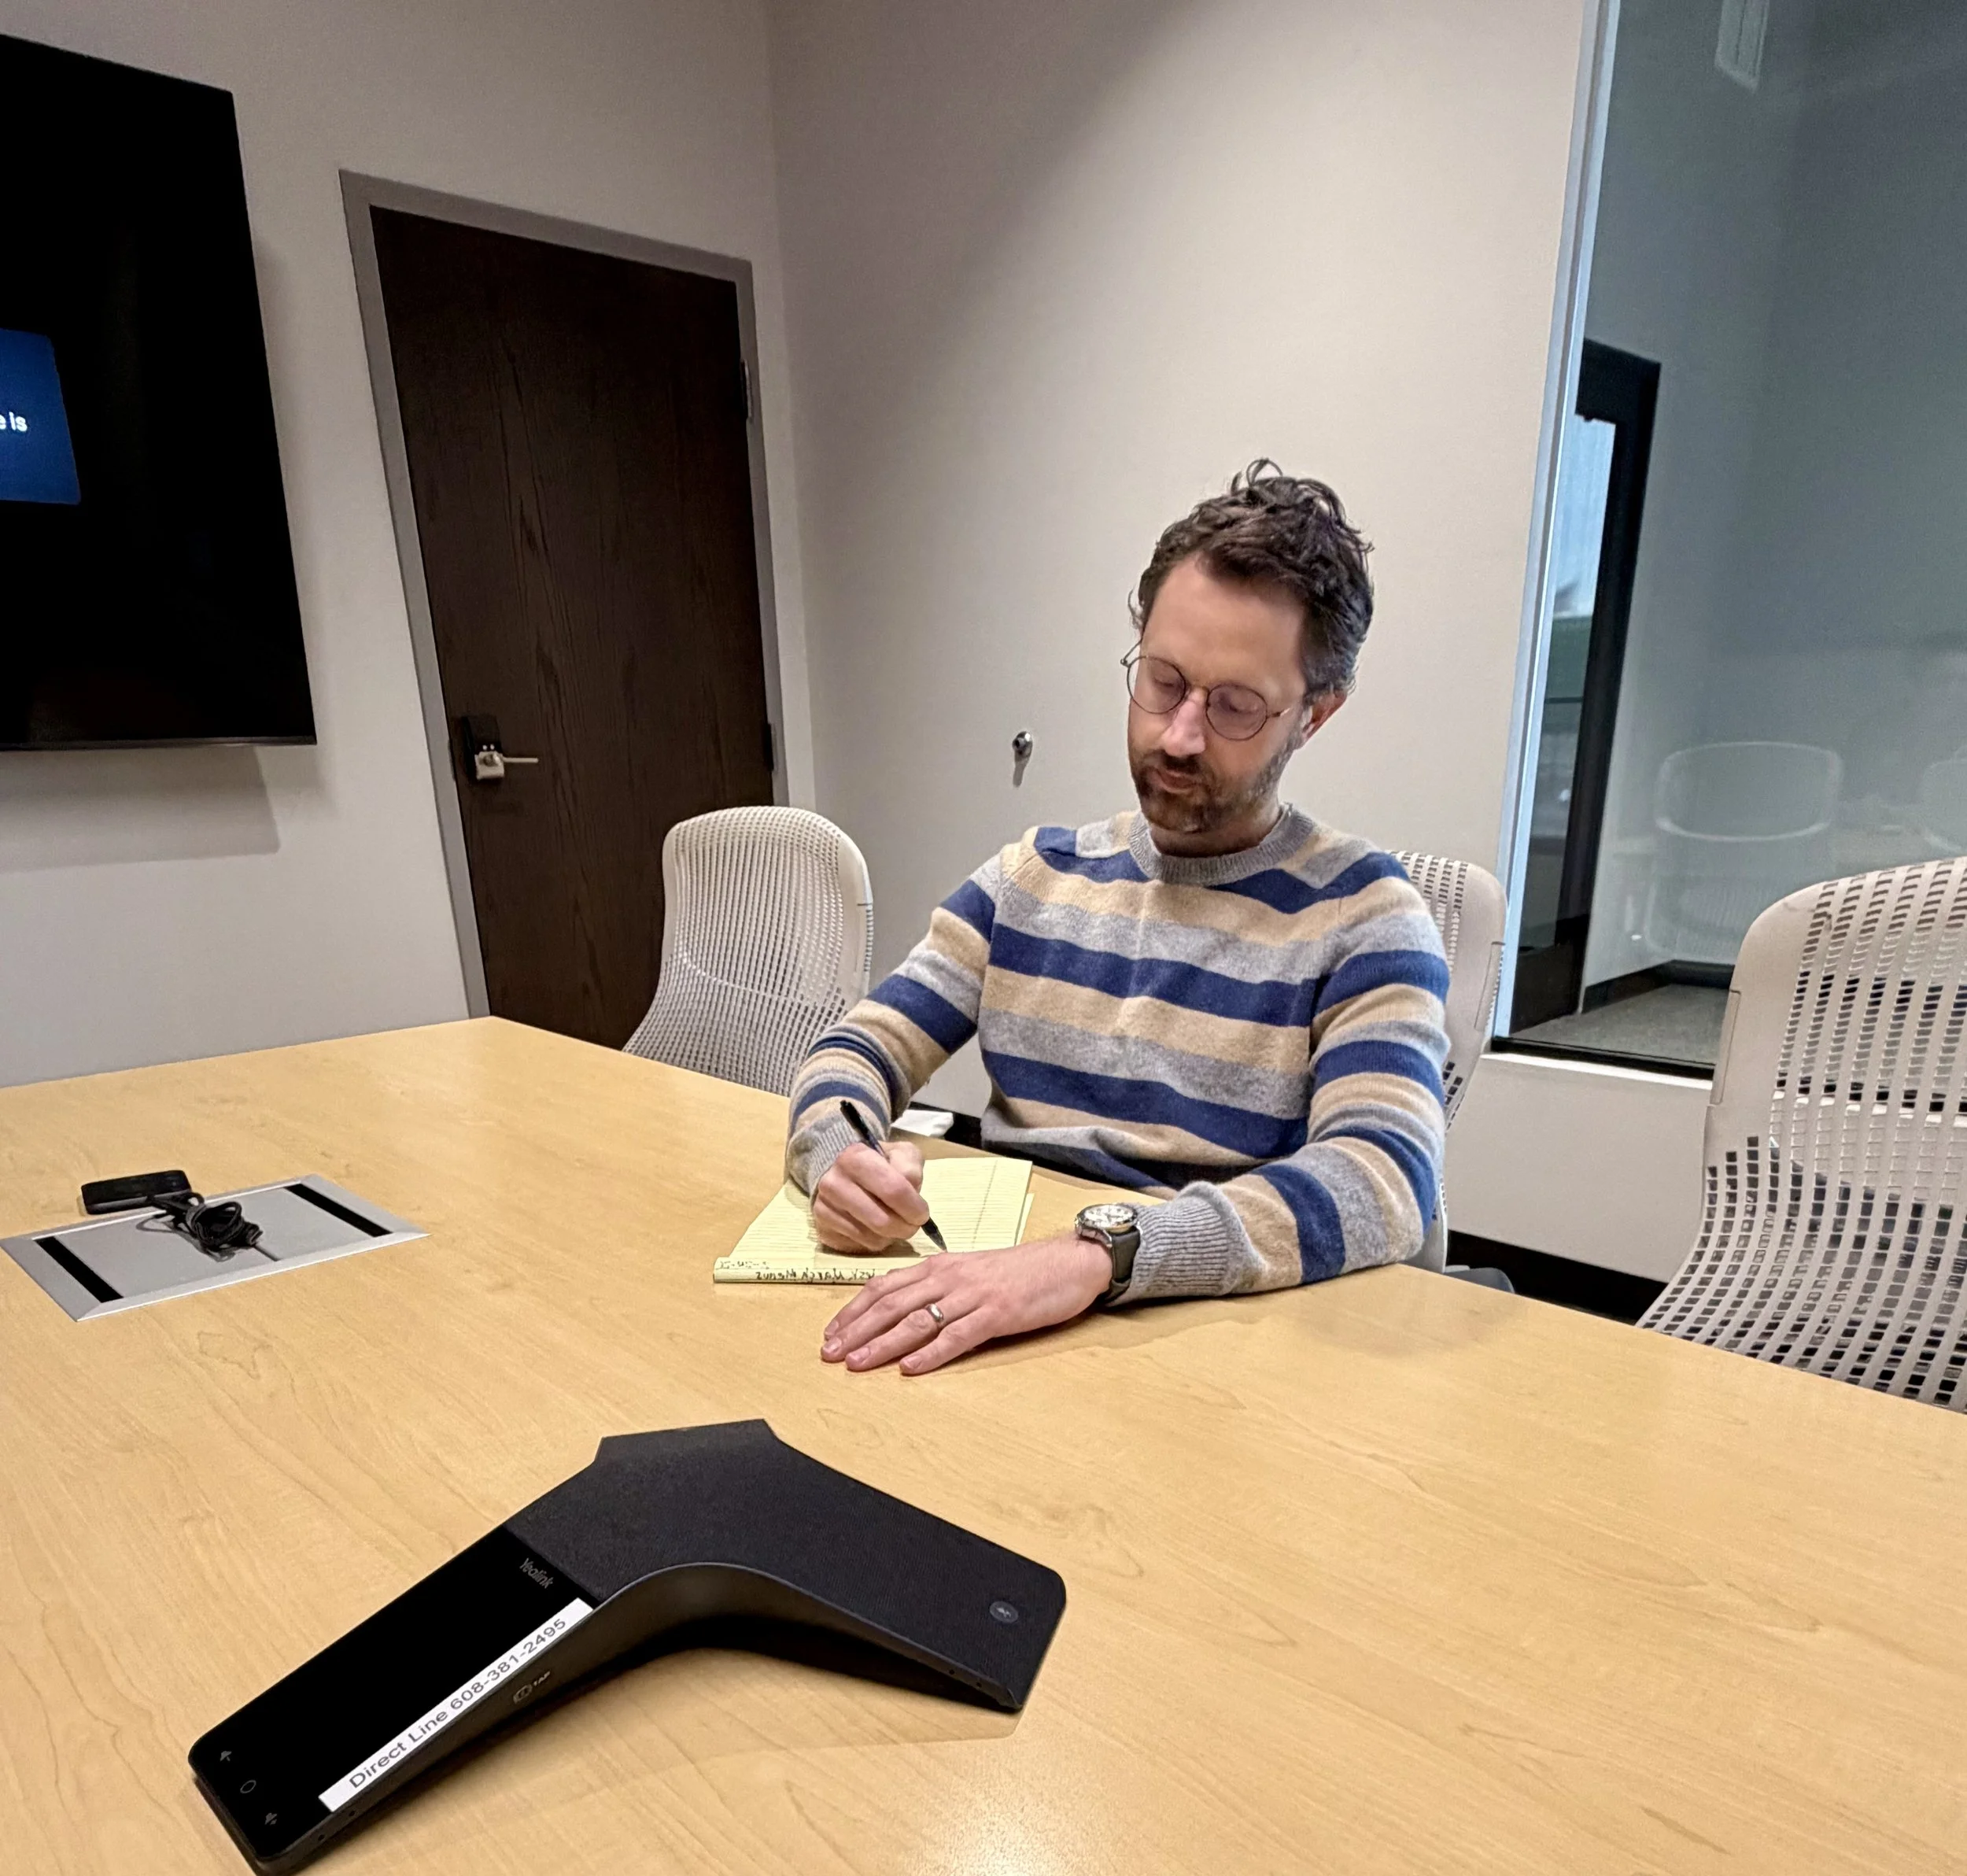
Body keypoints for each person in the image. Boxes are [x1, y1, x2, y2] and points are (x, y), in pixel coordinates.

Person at [788, 462, 1450, 1376]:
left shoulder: (1367, 918)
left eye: (1234, 706)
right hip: (1001, 1323)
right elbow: (855, 1049)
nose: (1179, 734)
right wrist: (836, 1156)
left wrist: (1099, 1252)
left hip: (1212, 1351)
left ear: (1315, 715)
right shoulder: (1031, 876)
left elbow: (1381, 1179)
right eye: (1164, 679)